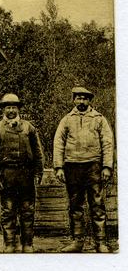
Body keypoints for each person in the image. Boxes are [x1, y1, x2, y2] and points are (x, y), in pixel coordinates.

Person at [53, 87, 114, 253]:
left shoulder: (99, 119)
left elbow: (107, 143)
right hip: (72, 166)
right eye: (78, 98)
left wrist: (107, 166)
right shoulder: (66, 120)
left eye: (85, 99)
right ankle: (77, 242)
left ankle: (100, 242)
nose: (81, 102)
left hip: (93, 167)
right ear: (73, 100)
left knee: (97, 205)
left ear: (90, 101)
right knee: (75, 206)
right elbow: (58, 143)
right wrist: (59, 167)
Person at [0, 93, 44, 253]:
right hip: (7, 176)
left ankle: (27, 244)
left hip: (26, 176)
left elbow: (38, 152)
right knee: (8, 211)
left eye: (14, 107)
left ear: (19, 109)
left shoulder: (29, 128)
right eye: (8, 107)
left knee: (27, 211)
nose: (11, 110)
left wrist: (38, 173)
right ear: (3, 110)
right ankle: (9, 244)